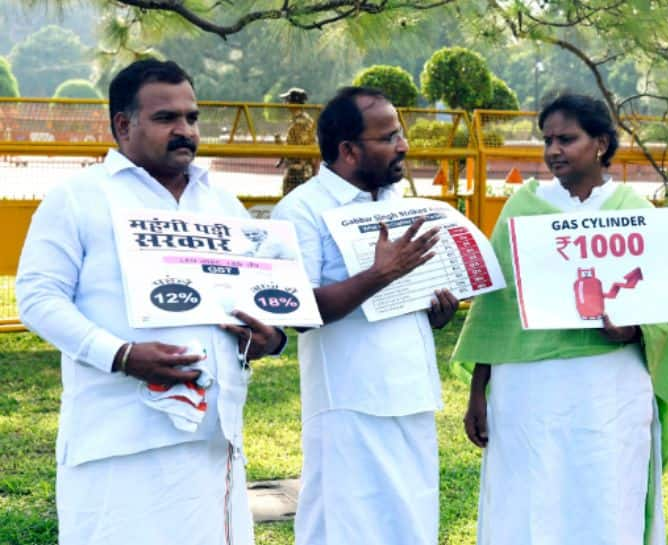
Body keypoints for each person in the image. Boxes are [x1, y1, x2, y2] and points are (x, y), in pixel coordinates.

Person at [15, 59, 286, 545]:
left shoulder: (221, 203)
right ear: (123, 124)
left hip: (211, 440)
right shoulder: (79, 198)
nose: (184, 130)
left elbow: (251, 296)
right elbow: (37, 298)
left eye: (192, 117)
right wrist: (122, 356)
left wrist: (267, 337)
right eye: (166, 119)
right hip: (119, 440)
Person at [452, 93, 668, 545]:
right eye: (548, 140)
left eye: (567, 139)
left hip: (609, 388)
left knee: (606, 492)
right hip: (527, 388)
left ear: (600, 143)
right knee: (526, 496)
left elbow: (665, 310)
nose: (554, 150)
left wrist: (632, 329)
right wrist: (477, 392)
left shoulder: (634, 213)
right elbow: (495, 310)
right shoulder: (521, 211)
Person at [271, 86, 459, 545]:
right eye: (389, 136)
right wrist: (381, 274)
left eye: (401, 134)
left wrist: (434, 311)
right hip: (349, 402)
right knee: (346, 526)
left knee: (411, 523)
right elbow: (297, 311)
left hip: (412, 395)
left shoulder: (400, 202)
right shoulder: (302, 210)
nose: (403, 146)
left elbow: (401, 295)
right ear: (349, 150)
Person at [277, 87, 317, 196]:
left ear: (293, 103)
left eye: (287, 100)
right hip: (303, 170)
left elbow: (300, 147)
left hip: (298, 171)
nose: (285, 103)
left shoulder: (300, 122)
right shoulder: (306, 119)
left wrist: (283, 148)